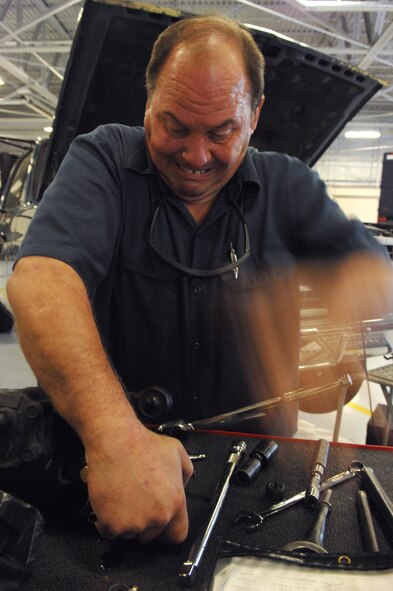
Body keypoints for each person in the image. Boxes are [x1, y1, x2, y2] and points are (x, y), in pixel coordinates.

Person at [6, 15, 393, 545]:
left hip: (260, 479)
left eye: (220, 132)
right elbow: (41, 282)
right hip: (123, 474)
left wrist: (335, 315)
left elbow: (377, 275)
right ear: (148, 103)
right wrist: (115, 440)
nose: (195, 155)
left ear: (254, 115)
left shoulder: (288, 185)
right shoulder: (104, 162)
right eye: (175, 126)